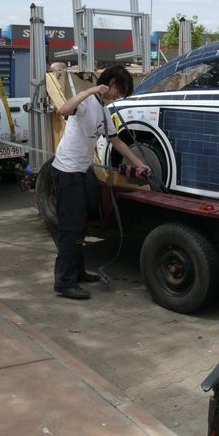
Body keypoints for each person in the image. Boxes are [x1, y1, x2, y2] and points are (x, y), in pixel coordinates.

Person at [51, 65, 150, 300]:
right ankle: (64, 282)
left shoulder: (104, 111)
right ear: (111, 83)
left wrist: (138, 163)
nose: (119, 96)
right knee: (71, 227)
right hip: (66, 172)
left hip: (82, 171)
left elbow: (116, 141)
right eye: (120, 90)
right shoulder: (86, 103)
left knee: (82, 222)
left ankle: (77, 272)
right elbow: (63, 109)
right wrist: (89, 90)